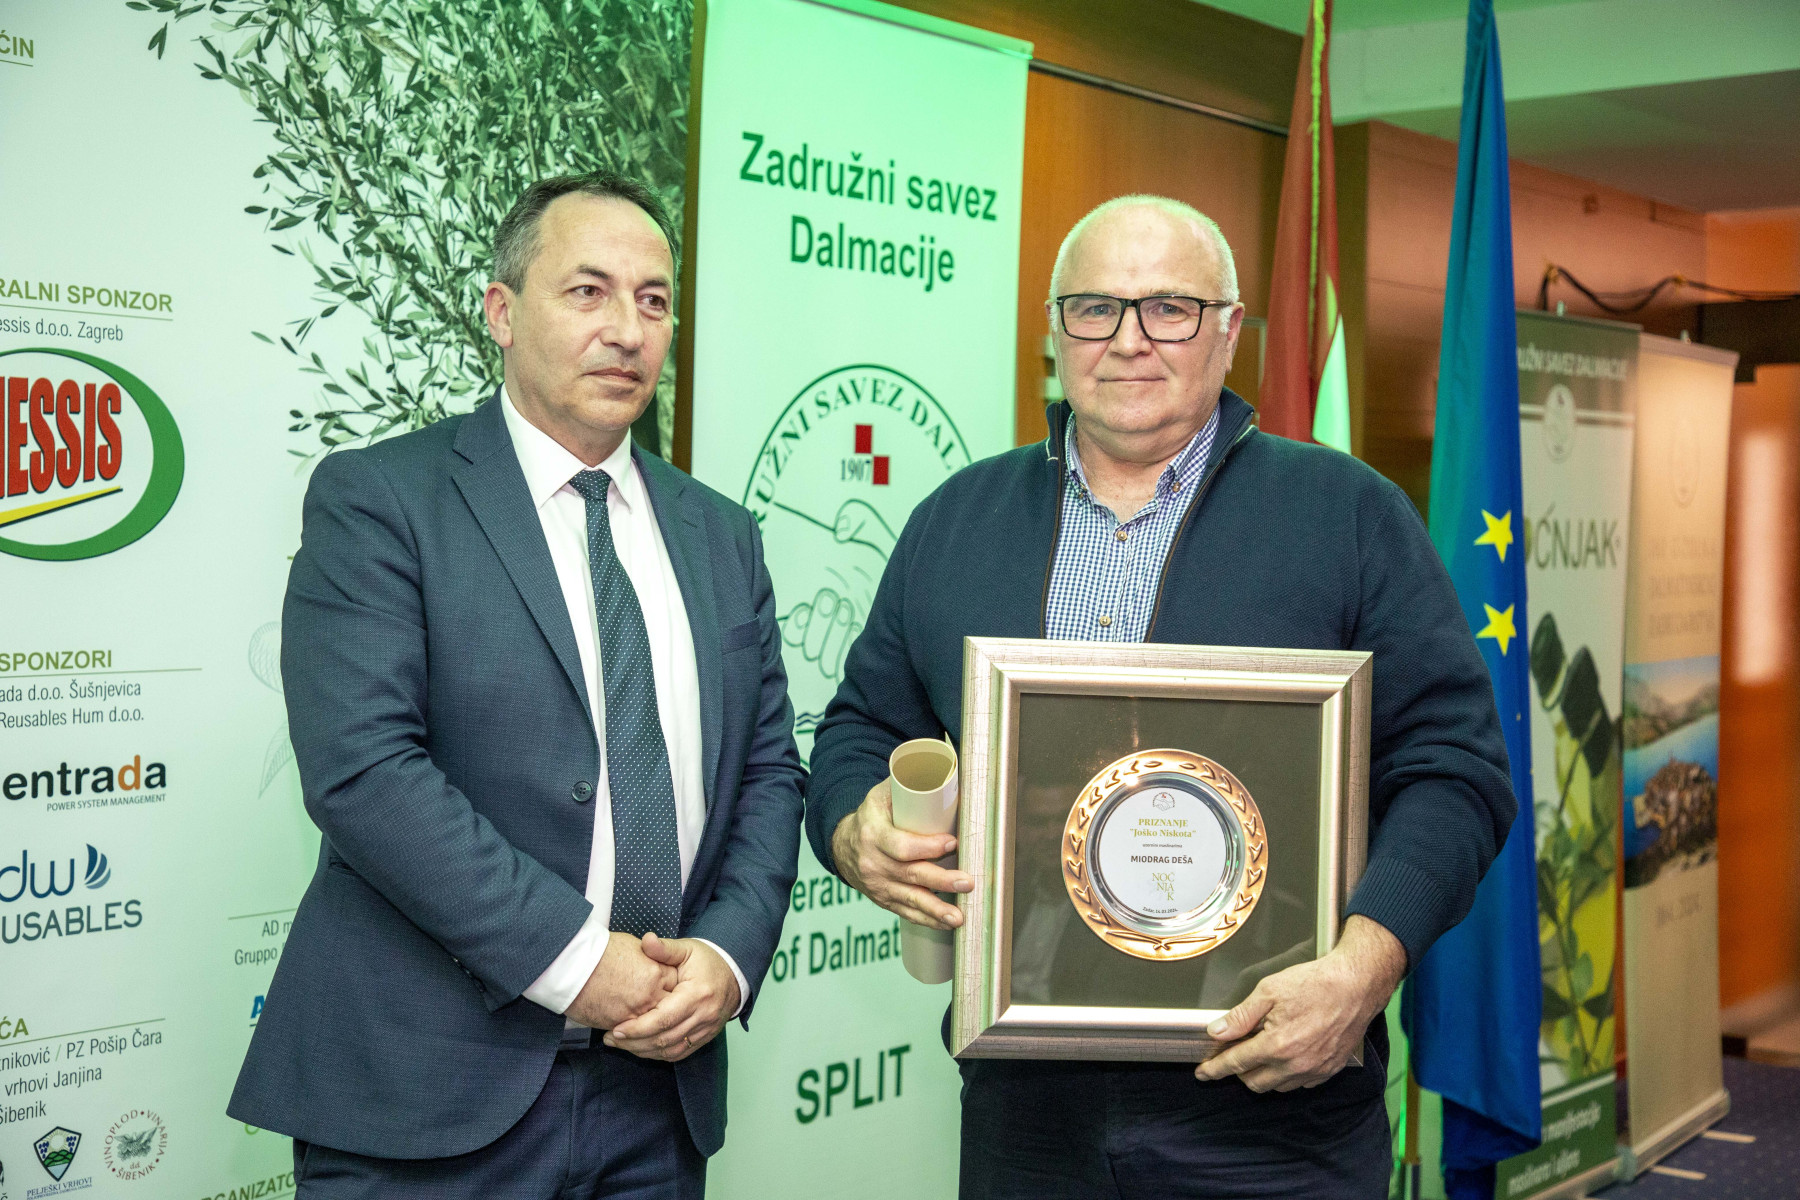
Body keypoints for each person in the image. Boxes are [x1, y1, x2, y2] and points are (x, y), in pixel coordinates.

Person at [803, 195, 1515, 1197]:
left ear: (1228, 331)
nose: (1129, 340)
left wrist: (1366, 967)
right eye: (1096, 308)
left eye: (1170, 309)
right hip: (1025, 1109)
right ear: (1055, 332)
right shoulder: (957, 520)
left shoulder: (1348, 516)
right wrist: (854, 828)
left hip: (1275, 1106)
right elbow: (860, 728)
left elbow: (1455, 770)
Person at [231, 170, 805, 1197]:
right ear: (501, 312)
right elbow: (364, 771)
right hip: (427, 1098)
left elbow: (768, 772)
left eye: (653, 300)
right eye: (587, 292)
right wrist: (579, 963)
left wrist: (725, 958)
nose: (627, 330)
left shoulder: (721, 533)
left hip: (658, 1098)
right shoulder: (382, 500)